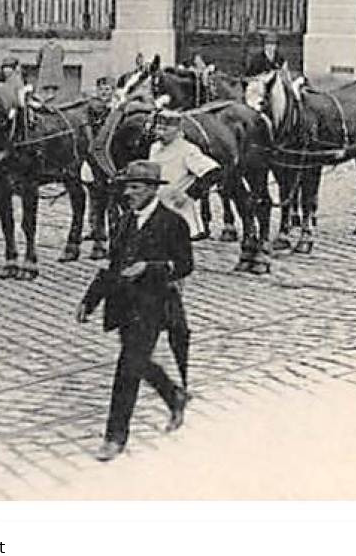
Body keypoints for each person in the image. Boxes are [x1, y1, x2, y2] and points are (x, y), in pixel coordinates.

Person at [78, 160, 193, 462]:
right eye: (127, 186)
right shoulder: (123, 221)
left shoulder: (173, 223)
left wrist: (150, 267)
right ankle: (174, 394)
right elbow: (112, 266)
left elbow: (185, 265)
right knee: (138, 362)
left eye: (136, 187)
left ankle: (115, 438)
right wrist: (89, 302)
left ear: (153, 190)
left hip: (155, 305)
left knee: (127, 368)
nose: (129, 193)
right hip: (123, 304)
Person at [148, 111, 222, 242]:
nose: (161, 132)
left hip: (180, 213)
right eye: (159, 128)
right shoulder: (154, 148)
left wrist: (190, 195)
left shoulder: (188, 149)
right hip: (157, 211)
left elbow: (213, 172)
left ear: (177, 130)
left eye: (165, 129)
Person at [36, 32, 66, 103]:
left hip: (56, 70)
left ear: (56, 39)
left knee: (56, 87)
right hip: (46, 70)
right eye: (49, 39)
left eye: (53, 38)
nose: (51, 40)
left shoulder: (60, 48)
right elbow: (38, 58)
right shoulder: (43, 48)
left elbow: (62, 57)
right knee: (46, 86)